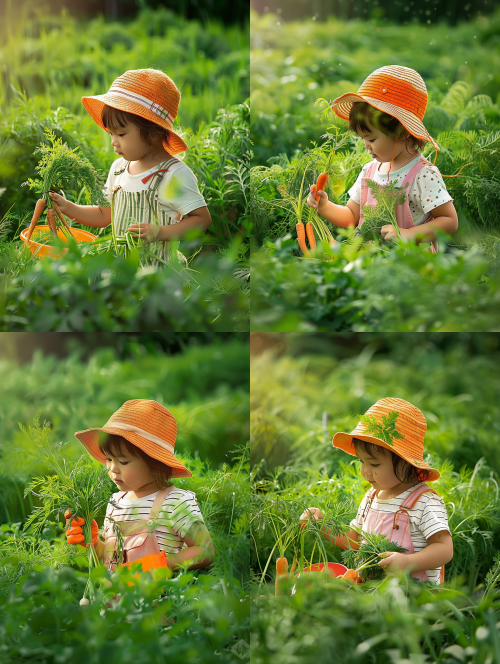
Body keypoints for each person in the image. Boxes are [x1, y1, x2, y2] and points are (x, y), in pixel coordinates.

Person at [49, 68, 211, 266]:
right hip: (123, 274)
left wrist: (160, 232)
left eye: (121, 134)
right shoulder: (118, 169)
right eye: (111, 133)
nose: (113, 142)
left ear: (153, 132)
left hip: (158, 275)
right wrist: (68, 207)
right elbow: (104, 214)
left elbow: (201, 220)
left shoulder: (172, 174)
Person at [300, 397, 453, 584]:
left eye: (374, 463)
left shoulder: (424, 501)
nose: (365, 470)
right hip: (371, 595)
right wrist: (322, 525)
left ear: (405, 463)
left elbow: (444, 548)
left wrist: (407, 562)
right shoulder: (371, 497)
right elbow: (355, 540)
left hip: (413, 599)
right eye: (362, 462)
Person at [307, 65, 459, 252]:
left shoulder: (422, 175)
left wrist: (408, 234)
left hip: (412, 265)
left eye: (371, 138)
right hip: (369, 262)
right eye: (363, 138)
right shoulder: (369, 171)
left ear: (402, 133)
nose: (366, 145)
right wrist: (324, 206)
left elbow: (449, 221)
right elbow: (351, 217)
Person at [65, 399, 214, 575]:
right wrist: (92, 542)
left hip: (155, 600)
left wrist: (161, 563)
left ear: (155, 464)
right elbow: (110, 561)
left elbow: (205, 551)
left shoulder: (175, 502)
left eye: (123, 461)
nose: (113, 468)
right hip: (113, 600)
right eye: (109, 459)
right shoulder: (115, 503)